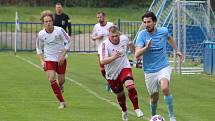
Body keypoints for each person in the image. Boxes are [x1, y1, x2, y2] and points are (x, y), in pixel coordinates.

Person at [135, 11, 183, 121]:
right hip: (149, 70)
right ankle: (153, 116)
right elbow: (137, 54)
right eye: (145, 22)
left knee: (165, 87)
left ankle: (172, 116)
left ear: (154, 22)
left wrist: (177, 50)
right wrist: (146, 48)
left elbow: (169, 38)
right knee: (154, 97)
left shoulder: (163, 31)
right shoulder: (142, 35)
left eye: (149, 22)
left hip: (163, 66)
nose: (147, 24)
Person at [99, 26, 144, 121]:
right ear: (109, 36)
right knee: (120, 94)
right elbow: (102, 61)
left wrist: (136, 55)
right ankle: (124, 110)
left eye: (117, 36)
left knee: (130, 86)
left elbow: (131, 45)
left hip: (124, 67)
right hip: (112, 74)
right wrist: (113, 57)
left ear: (119, 34)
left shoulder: (124, 39)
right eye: (113, 36)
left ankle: (137, 108)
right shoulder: (104, 45)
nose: (115, 38)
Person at [36, 10, 72, 109]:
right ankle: (62, 102)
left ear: (53, 21)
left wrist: (63, 55)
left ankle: (61, 85)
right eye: (46, 21)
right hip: (49, 59)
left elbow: (68, 42)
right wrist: (42, 61)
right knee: (51, 78)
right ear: (43, 23)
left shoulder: (59, 30)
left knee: (61, 80)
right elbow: (38, 48)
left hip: (61, 58)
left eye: (50, 21)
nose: (48, 23)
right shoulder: (41, 34)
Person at [92, 12, 114, 91]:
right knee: (102, 69)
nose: (99, 19)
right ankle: (109, 81)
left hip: (110, 49)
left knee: (111, 67)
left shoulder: (110, 25)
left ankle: (112, 83)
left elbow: (116, 33)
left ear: (104, 17)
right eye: (98, 17)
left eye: (100, 17)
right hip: (101, 50)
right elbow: (93, 37)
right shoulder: (96, 26)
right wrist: (98, 36)